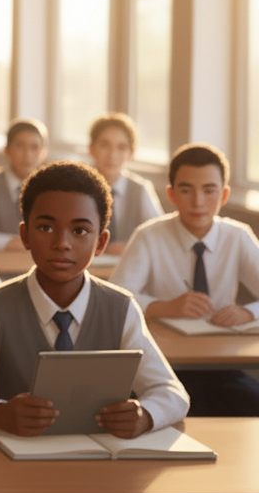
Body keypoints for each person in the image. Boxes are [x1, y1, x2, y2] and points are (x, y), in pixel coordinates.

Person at [0, 161, 188, 437]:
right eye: (45, 228)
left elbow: (172, 393)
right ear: (24, 235)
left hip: (103, 463)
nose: (62, 243)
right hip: (15, 465)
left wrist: (146, 415)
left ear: (100, 243)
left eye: (79, 231)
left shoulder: (121, 307)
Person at [109, 143, 259, 415]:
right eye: (186, 190)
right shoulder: (149, 236)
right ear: (171, 194)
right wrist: (163, 307)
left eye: (209, 190)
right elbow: (116, 298)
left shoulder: (238, 236)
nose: (198, 201)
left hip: (221, 365)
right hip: (161, 367)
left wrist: (248, 312)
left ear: (224, 194)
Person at [0, 117, 48, 251]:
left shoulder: (51, 186)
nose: (27, 154)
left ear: (43, 153)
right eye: (20, 146)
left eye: (34, 147)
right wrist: (10, 243)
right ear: (7, 150)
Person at [88, 112, 162, 253]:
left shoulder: (140, 189)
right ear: (91, 148)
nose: (112, 155)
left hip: (127, 266)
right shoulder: (76, 185)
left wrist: (131, 247)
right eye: (105, 145)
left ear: (132, 153)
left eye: (121, 147)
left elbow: (160, 235)